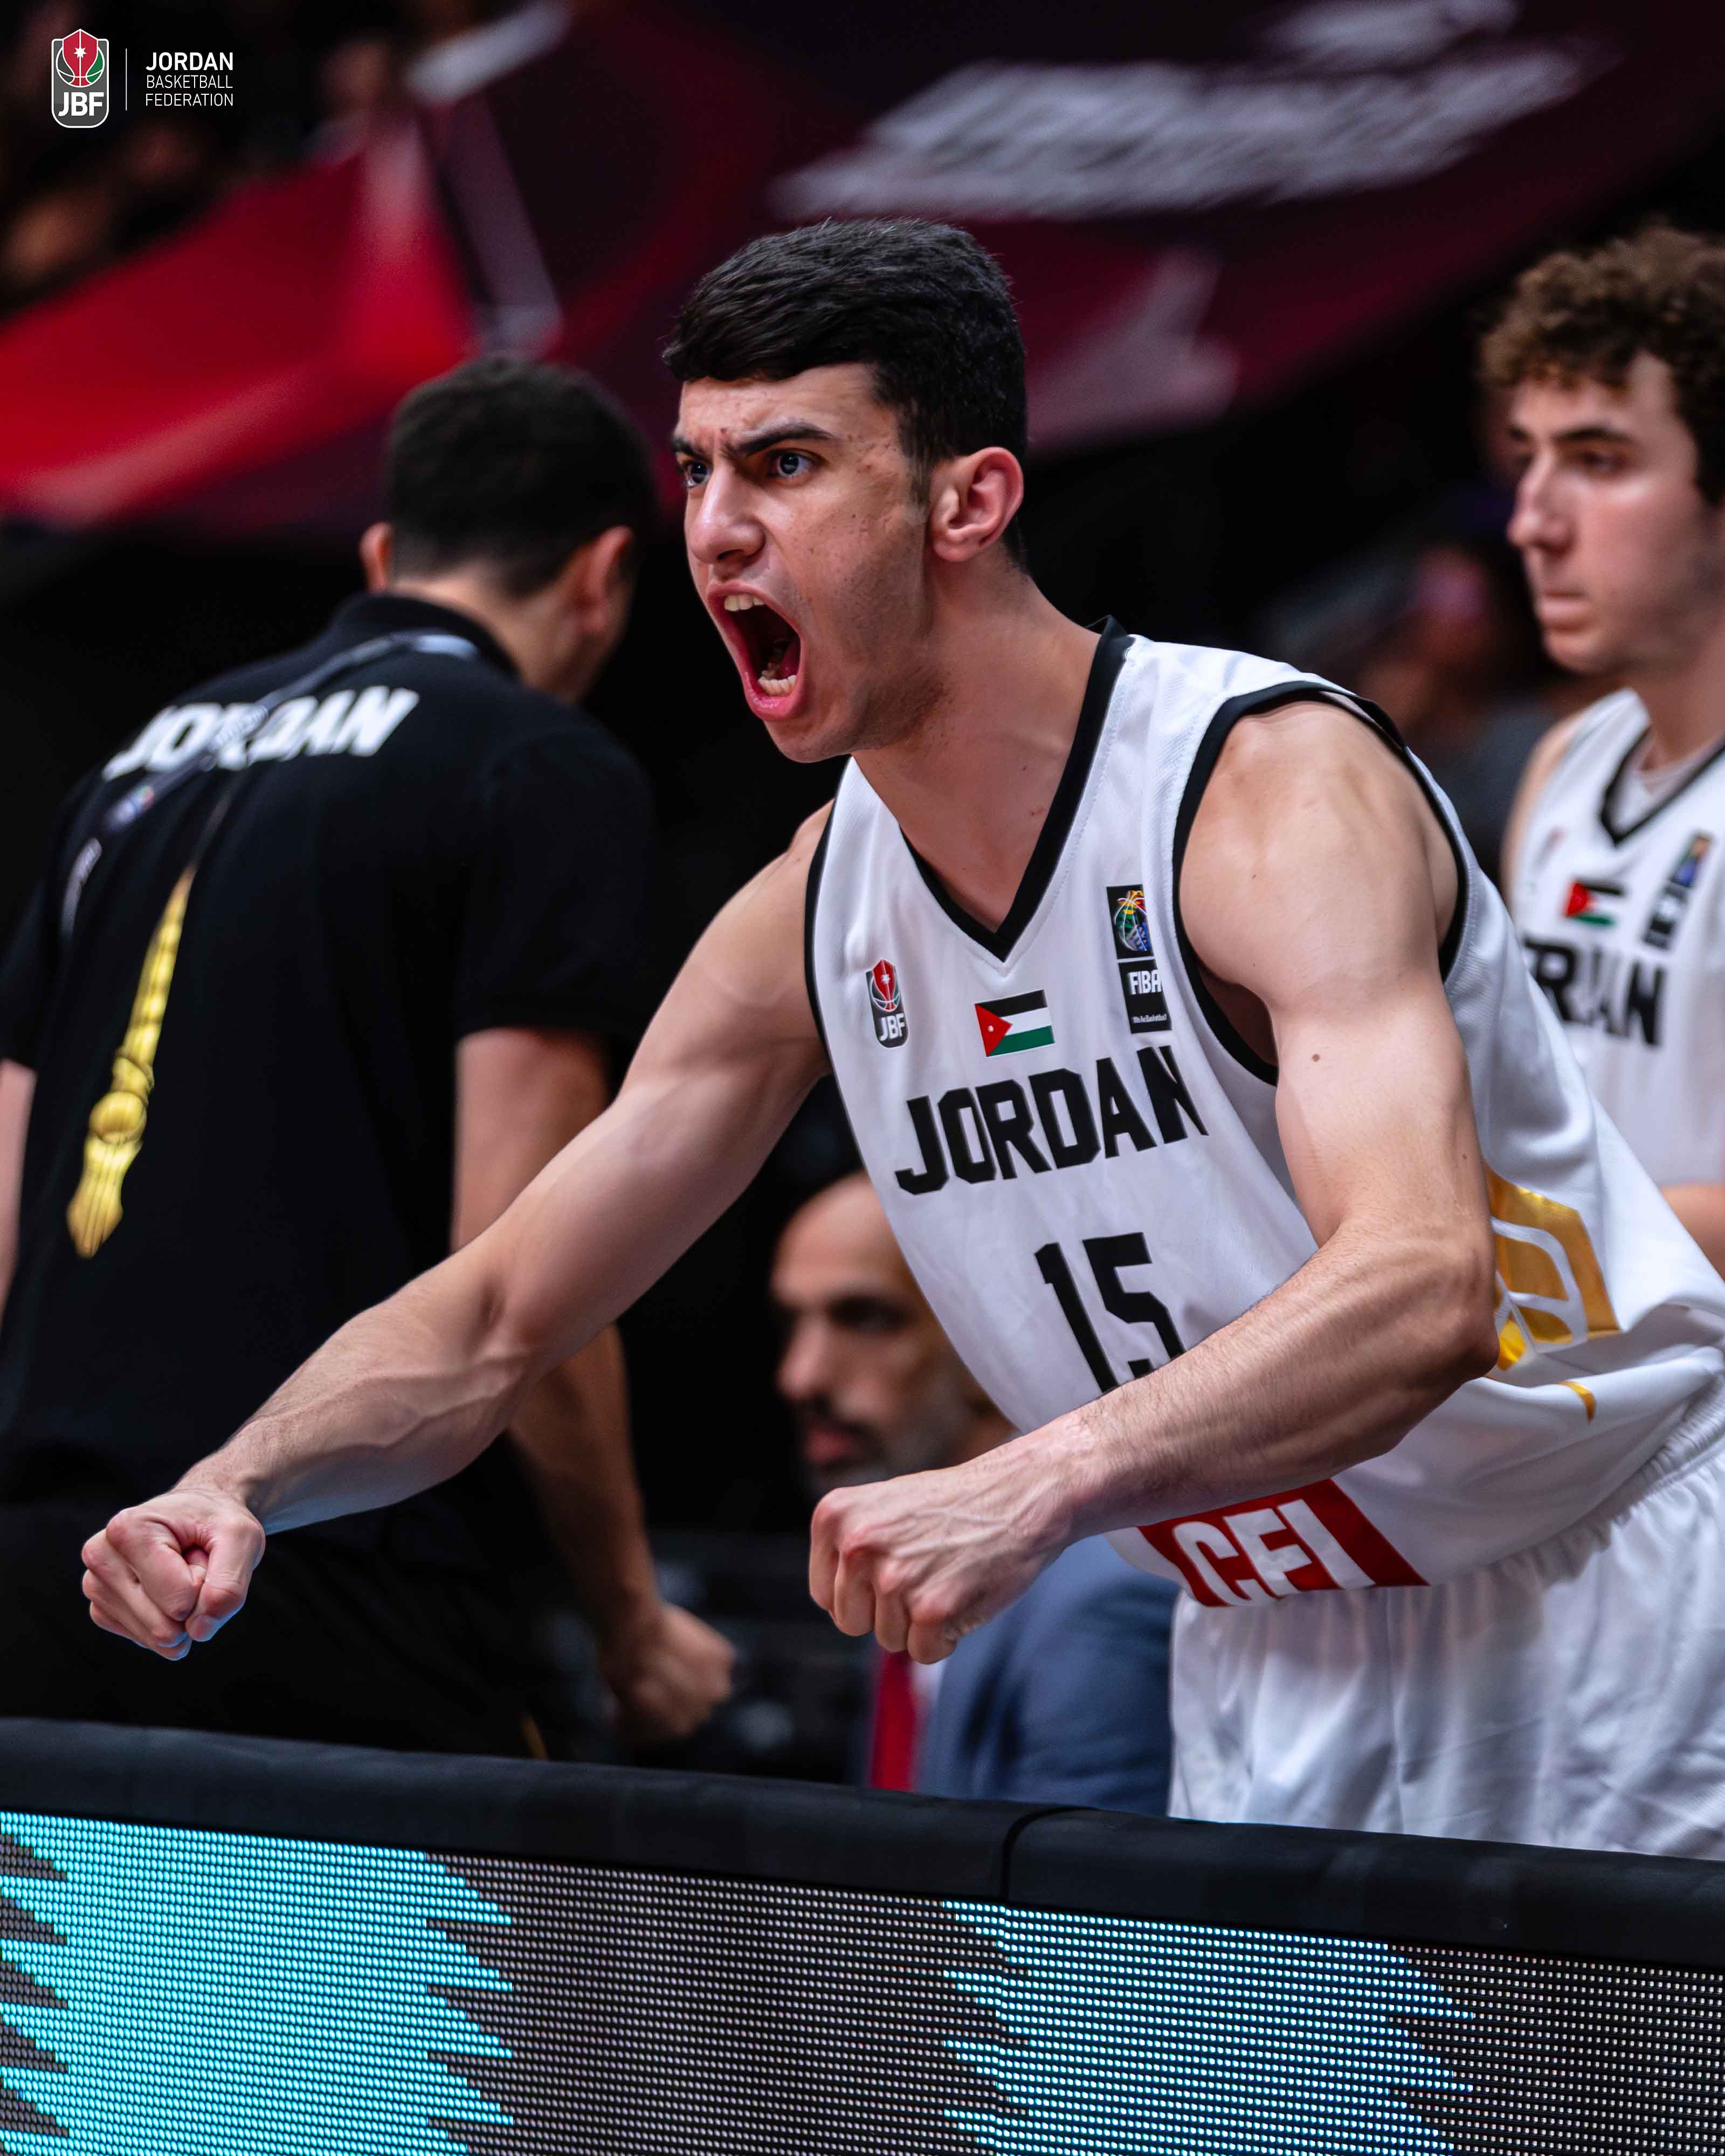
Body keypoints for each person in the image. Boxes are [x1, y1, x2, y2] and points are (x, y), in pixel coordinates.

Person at [83, 221, 1725, 1856]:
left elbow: (1425, 1283)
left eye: (785, 464)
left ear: (968, 501)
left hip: (1601, 1580)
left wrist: (1032, 1478)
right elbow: (503, 1308)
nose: (717, 530)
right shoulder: (815, 908)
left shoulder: (1257, 786)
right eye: (698, 470)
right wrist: (239, 1478)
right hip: (1267, 1633)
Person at [1, 356, 732, 1753]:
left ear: (384, 553)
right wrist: (629, 1617)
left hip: (58, 1580)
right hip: (335, 1576)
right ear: (604, 576)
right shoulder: (537, 764)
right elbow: (528, 1261)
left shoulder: (130, 773)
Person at [774, 1171, 1175, 1811]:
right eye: (792, 1321)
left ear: (991, 1335)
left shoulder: (1094, 1606)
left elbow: (1074, 1880)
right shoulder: (903, 1557)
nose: (801, 1376)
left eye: (867, 1318)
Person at [1496, 227, 1725, 1275]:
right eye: (1527, 458)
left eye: (1597, 462)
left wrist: (1472, 1257)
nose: (1532, 522)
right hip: (1586, 1354)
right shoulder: (1567, 762)